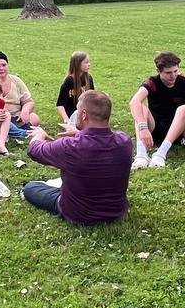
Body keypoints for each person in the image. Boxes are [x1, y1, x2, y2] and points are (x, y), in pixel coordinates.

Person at [24, 90, 133, 224]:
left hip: (78, 213)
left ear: (84, 115)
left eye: (77, 110)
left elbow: (34, 150)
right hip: (116, 211)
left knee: (30, 188)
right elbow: (98, 141)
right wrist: (79, 133)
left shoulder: (71, 146)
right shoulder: (125, 141)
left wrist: (39, 135)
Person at [129, 51, 185, 169]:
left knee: (184, 108)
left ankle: (161, 154)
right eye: (168, 73)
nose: (173, 76)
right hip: (154, 128)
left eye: (175, 71)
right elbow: (134, 102)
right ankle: (141, 155)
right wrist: (143, 127)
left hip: (178, 130)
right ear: (158, 71)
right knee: (141, 108)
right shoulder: (152, 82)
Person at [55, 51, 95, 136]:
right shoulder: (69, 81)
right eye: (86, 62)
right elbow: (60, 104)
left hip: (85, 114)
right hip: (73, 115)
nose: (89, 64)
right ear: (77, 64)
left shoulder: (88, 78)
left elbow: (92, 99)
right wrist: (66, 120)